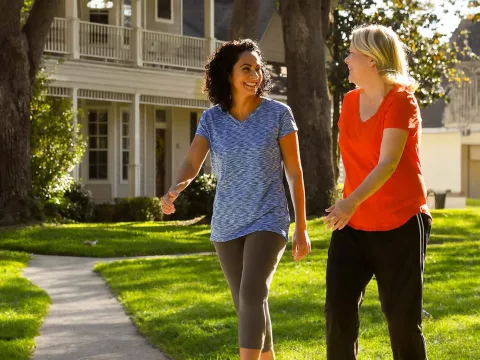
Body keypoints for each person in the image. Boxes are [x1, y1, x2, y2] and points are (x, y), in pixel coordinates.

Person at [161, 39, 311, 360]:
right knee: (246, 300)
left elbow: (294, 173)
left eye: (258, 69)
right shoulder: (212, 119)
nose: (255, 75)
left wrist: (301, 226)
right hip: (227, 222)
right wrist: (177, 186)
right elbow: (192, 161)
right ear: (227, 74)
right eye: (246, 68)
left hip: (268, 218)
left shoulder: (278, 114)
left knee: (252, 292)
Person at [323, 24, 432, 360]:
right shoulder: (349, 100)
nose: (346, 59)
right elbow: (350, 158)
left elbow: (387, 163)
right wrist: (348, 201)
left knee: (401, 320)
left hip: (400, 221)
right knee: (337, 315)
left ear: (371, 59)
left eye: (352, 53)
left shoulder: (401, 101)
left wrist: (349, 202)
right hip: (354, 225)